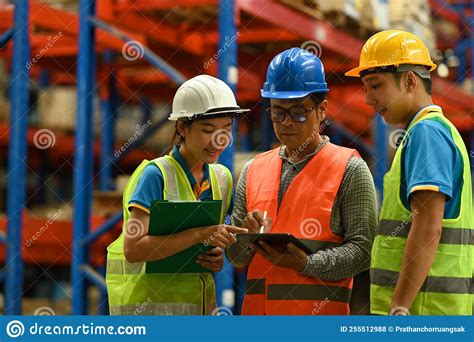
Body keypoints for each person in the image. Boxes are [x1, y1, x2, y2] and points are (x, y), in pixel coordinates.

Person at [226, 48, 377, 315]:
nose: (286, 123)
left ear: (322, 110)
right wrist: (245, 237)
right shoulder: (253, 170)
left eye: (298, 113)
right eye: (277, 112)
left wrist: (306, 263)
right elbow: (237, 257)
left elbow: (363, 251)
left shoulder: (350, 169)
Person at [345, 30, 473, 315]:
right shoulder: (430, 132)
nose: (368, 98)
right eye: (366, 88)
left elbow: (428, 225)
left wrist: (400, 305)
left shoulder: (426, 133)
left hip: (422, 312)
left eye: (376, 86)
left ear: (410, 81)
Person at [106, 75, 249, 315]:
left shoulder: (221, 179)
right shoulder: (156, 175)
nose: (220, 140)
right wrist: (200, 234)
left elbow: (215, 245)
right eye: (208, 130)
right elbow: (134, 250)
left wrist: (215, 257)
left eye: (226, 130)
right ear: (183, 127)